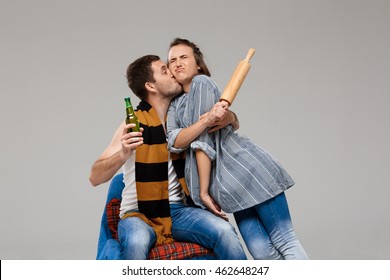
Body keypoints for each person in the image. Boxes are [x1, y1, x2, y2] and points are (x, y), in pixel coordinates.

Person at [89, 54, 247, 260]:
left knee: (224, 232)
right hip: (138, 213)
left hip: (179, 210)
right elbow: (95, 177)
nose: (172, 73)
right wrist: (123, 153)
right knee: (136, 241)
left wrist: (231, 118)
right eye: (164, 71)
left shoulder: (184, 118)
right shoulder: (133, 124)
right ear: (151, 86)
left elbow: (224, 123)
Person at [166, 38, 309, 260]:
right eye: (172, 60)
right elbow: (174, 142)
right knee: (262, 253)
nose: (177, 63)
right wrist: (221, 120)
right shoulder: (175, 104)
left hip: (246, 171)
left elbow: (202, 142)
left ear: (199, 65)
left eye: (183, 57)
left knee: (285, 239)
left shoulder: (201, 83)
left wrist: (203, 192)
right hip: (227, 187)